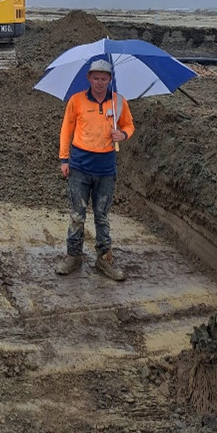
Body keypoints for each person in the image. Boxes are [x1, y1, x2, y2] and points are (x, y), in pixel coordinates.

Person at [55, 59, 135, 281]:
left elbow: (129, 124)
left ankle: (104, 259)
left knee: (102, 216)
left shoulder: (119, 102)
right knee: (76, 215)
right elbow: (66, 130)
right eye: (96, 78)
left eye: (104, 78)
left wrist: (124, 135)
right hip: (80, 167)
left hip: (106, 169)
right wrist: (64, 159)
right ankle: (73, 255)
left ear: (110, 79)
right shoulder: (76, 101)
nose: (100, 82)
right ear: (88, 78)